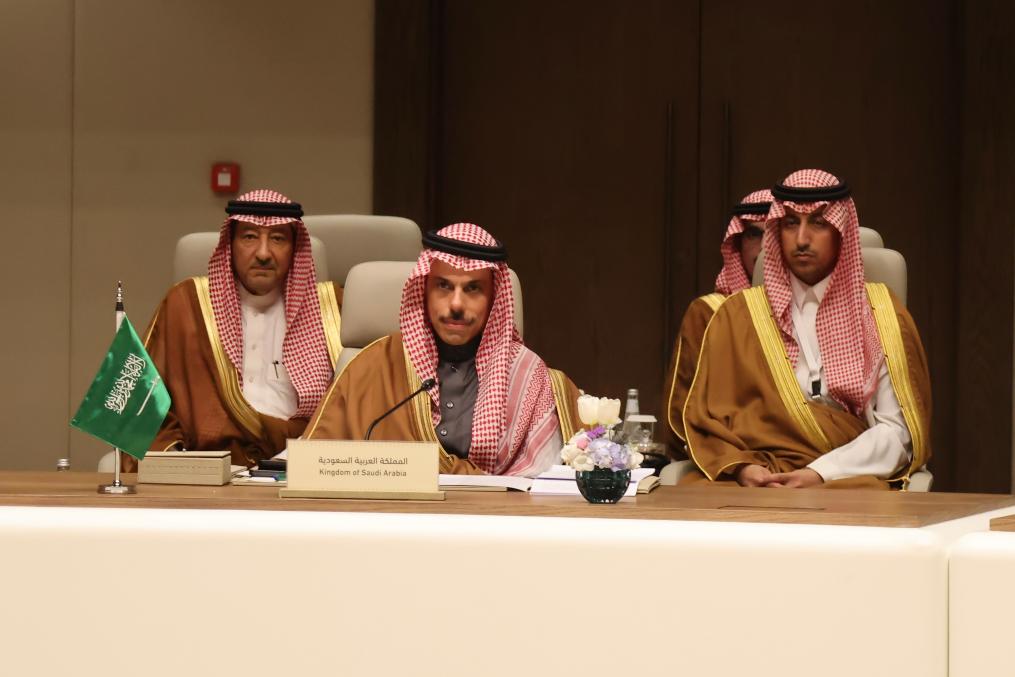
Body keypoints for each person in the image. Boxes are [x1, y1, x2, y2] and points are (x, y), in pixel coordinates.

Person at [681, 170, 931, 489]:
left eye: (818, 223)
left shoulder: (881, 314)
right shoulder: (736, 315)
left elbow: (898, 433)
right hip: (755, 481)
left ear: (841, 231)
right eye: (790, 223)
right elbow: (706, 422)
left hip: (844, 481)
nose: (801, 239)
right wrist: (742, 468)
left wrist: (820, 472)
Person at [305, 222, 583, 476]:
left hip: (494, 513)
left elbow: (547, 482)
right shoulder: (374, 366)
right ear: (424, 291)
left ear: (494, 299)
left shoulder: (529, 379)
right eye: (443, 286)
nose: (456, 305)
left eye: (473, 289)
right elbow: (313, 465)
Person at [133, 189, 342, 468]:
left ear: (295, 248)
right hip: (210, 467)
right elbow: (143, 400)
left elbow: (351, 409)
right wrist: (178, 464)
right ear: (230, 245)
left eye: (278, 239)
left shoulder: (332, 309)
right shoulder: (187, 305)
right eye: (249, 237)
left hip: (300, 464)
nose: (263, 253)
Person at [661, 190, 771, 453]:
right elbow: (680, 414)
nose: (764, 247)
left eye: (774, 235)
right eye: (754, 234)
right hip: (731, 454)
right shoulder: (709, 313)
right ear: (738, 243)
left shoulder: (814, 316)